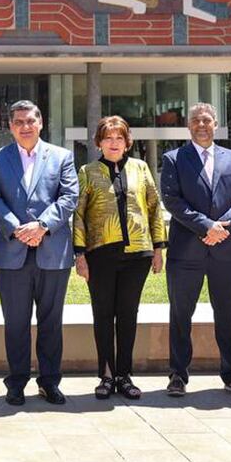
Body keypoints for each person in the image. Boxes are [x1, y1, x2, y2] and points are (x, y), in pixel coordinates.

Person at [0, 100, 78, 406]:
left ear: (41, 123)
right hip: (13, 253)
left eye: (30, 121)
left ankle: (49, 382)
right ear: (11, 127)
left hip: (52, 252)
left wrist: (41, 226)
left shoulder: (62, 156)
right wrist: (17, 228)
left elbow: (68, 197)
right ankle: (16, 382)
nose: (25, 126)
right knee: (15, 323)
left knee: (51, 322)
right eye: (19, 122)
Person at [162, 103, 231, 398]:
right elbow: (172, 201)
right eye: (195, 121)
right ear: (188, 126)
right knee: (180, 315)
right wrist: (206, 226)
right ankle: (178, 374)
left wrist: (221, 228)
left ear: (216, 124)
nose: (201, 125)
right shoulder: (174, 159)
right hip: (186, 252)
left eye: (207, 120)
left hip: (225, 252)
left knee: (227, 315)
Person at [73, 115, 164, 400]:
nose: (114, 143)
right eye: (108, 138)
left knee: (128, 314)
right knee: (103, 314)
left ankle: (124, 376)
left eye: (119, 138)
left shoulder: (140, 167)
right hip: (100, 255)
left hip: (137, 255)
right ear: (99, 142)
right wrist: (79, 254)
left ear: (127, 142)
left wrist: (159, 248)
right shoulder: (87, 171)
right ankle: (106, 375)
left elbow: (153, 206)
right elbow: (77, 215)